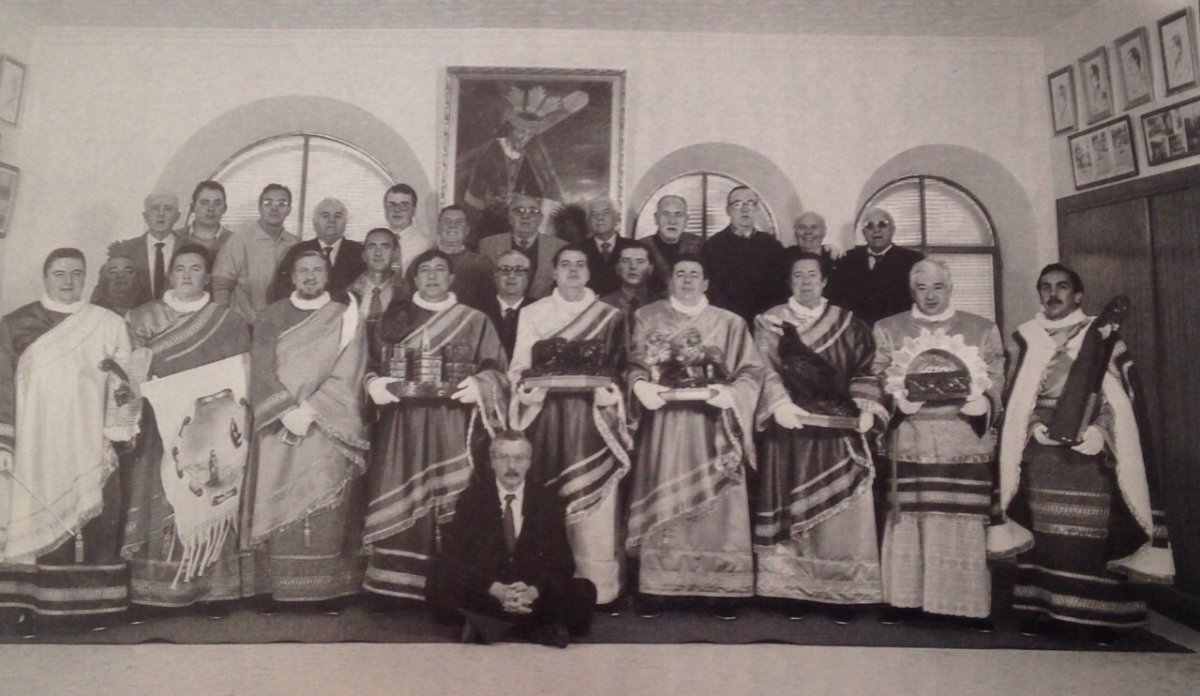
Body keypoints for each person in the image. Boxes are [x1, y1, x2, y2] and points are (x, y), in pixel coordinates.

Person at [989, 264, 1174, 644]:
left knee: (1090, 536)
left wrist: (1099, 432)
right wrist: (1032, 427)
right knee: (1045, 536)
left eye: (1062, 287)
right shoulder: (1023, 339)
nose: (1053, 294)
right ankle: (1048, 611)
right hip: (1041, 456)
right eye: (1045, 287)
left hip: (1090, 457)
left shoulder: (1104, 337)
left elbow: (1123, 401)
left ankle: (1100, 617)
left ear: (1078, 294)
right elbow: (1013, 399)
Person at [0, 248, 140, 635]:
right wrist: (4, 440)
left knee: (99, 516)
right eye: (59, 273)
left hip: (90, 439)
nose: (67, 281)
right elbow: (1, 385)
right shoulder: (15, 324)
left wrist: (118, 428)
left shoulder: (107, 323)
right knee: (38, 513)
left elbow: (125, 383)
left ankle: (97, 609)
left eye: (76, 274)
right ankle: (37, 606)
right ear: (45, 277)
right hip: (37, 443)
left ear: (86, 278)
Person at [361, 249, 508, 605]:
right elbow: (368, 364)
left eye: (440, 269)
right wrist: (374, 384)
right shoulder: (395, 318)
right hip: (402, 425)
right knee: (400, 488)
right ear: (413, 278)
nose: (432, 276)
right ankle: (394, 587)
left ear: (452, 278)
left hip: (453, 422)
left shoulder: (475, 320)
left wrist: (481, 385)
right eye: (424, 270)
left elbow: (499, 371)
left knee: (455, 497)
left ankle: (453, 584)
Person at [626, 255, 766, 620]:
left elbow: (752, 370)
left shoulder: (730, 323)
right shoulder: (647, 316)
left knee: (719, 503)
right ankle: (659, 586)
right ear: (670, 281)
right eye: (680, 274)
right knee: (664, 490)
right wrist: (640, 385)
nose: (687, 280)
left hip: (714, 425)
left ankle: (721, 586)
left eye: (694, 275)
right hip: (665, 425)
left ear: (706, 283)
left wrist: (730, 393)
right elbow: (634, 362)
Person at [870, 259, 1003, 629]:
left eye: (938, 287)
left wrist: (984, 402)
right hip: (910, 440)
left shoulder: (982, 329)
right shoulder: (888, 329)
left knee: (961, 521)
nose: (930, 295)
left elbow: (997, 377)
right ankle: (905, 601)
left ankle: (964, 606)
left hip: (963, 442)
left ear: (950, 288)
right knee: (908, 522)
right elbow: (875, 377)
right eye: (922, 288)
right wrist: (895, 401)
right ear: (912, 291)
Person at [752, 252, 884, 624]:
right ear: (789, 281)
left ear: (824, 281)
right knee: (792, 504)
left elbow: (867, 366)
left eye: (812, 274)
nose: (806, 281)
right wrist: (779, 404)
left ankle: (842, 589)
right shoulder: (769, 321)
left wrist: (867, 407)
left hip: (839, 430)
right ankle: (791, 590)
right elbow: (763, 368)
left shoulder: (850, 323)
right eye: (798, 275)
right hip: (791, 428)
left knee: (842, 507)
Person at [121, 244, 251, 616]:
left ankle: (213, 590)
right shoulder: (142, 317)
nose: (187, 275)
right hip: (159, 429)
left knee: (213, 490)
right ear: (170, 275)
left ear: (207, 277)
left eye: (196, 268)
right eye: (180, 268)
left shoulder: (227, 320)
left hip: (215, 431)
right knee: (163, 496)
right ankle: (160, 590)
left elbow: (242, 375)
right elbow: (130, 375)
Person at [242, 250, 369, 612]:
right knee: (275, 499)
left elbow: (353, 369)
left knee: (326, 497)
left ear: (327, 276)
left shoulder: (346, 316)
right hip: (278, 427)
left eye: (317, 270)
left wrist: (312, 409)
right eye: (303, 271)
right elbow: (260, 369)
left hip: (327, 425)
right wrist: (285, 411)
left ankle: (325, 591)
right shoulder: (270, 315)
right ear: (292, 276)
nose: (310, 276)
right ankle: (276, 589)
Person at [508, 246, 631, 608]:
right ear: (554, 272)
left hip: (594, 422)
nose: (573, 271)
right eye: (565, 265)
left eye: (580, 265)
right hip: (546, 420)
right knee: (547, 501)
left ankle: (598, 589)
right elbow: (518, 368)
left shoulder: (611, 316)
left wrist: (611, 394)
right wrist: (529, 391)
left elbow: (621, 369)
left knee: (596, 504)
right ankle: (544, 584)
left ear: (589, 273)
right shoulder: (533, 313)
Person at [427, 430, 597, 647]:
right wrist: (497, 590)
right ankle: (536, 627)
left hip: (530, 589)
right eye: (504, 458)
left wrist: (533, 592)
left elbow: (562, 561)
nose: (511, 466)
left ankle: (488, 624)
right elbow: (457, 556)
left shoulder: (548, 501)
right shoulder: (472, 499)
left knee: (583, 591)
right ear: (492, 462)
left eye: (519, 458)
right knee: (438, 580)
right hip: (490, 588)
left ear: (529, 462)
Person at [700, 186, 789, 326]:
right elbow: (710, 293)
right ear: (728, 210)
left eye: (750, 203)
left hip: (766, 324)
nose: (745, 209)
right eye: (738, 204)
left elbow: (782, 290)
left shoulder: (772, 246)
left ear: (757, 209)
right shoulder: (713, 246)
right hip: (727, 324)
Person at [211, 183, 300, 324]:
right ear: (259, 207)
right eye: (268, 203)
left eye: (282, 204)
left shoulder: (295, 244)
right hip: (242, 324)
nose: (274, 208)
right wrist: (224, 323)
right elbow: (221, 284)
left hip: (283, 324)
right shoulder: (240, 240)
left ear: (289, 210)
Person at [829, 208, 924, 325]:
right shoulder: (847, 260)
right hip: (856, 331)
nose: (876, 230)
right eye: (869, 226)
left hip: (896, 330)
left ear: (892, 229)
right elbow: (835, 301)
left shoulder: (912, 260)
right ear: (864, 232)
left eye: (882, 224)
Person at [479, 193, 567, 300]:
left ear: (540, 219)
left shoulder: (559, 247)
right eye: (519, 211)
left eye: (533, 211)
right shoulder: (487, 245)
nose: (525, 216)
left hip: (543, 308)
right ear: (509, 218)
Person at [102, 192, 184, 306]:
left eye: (168, 209)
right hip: (134, 314)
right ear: (145, 216)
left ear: (177, 217)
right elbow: (103, 290)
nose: (161, 214)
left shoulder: (191, 248)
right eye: (155, 208)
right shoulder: (124, 249)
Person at [278, 198, 365, 295]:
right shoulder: (298, 251)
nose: (331, 220)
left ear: (345, 223)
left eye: (337, 216)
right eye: (325, 216)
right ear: (314, 223)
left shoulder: (360, 252)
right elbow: (281, 289)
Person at [348, 228, 410, 338]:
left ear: (395, 254)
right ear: (364, 255)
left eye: (385, 247)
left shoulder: (408, 294)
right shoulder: (346, 294)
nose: (378, 253)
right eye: (372, 247)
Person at [435, 205, 495, 311]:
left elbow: (490, 306)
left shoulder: (483, 265)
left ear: (467, 230)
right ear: (438, 228)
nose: (452, 226)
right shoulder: (422, 263)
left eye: (459, 222)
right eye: (447, 221)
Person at [644, 195, 703, 295]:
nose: (672, 221)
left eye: (678, 214)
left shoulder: (701, 245)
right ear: (656, 218)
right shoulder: (641, 247)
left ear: (686, 220)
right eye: (666, 214)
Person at [579, 196, 637, 297]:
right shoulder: (577, 250)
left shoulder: (635, 248)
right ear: (588, 222)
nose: (600, 218)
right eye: (594, 214)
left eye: (605, 213)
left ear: (617, 218)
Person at [479, 249, 531, 357]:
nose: (511, 276)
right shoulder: (478, 311)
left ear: (528, 277)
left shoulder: (540, 310)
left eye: (519, 270)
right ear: (495, 276)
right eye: (505, 270)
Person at [600, 241, 662, 327]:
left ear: (650, 269)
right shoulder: (603, 305)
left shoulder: (661, 304)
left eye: (640, 261)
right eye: (626, 261)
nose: (633, 266)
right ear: (617, 268)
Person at [384, 183, 431, 276]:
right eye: (392, 205)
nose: (397, 210)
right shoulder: (375, 240)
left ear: (413, 210)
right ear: (385, 208)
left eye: (404, 205)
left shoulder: (427, 245)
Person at [177, 180, 235, 255]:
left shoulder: (234, 241)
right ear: (193, 207)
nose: (211, 208)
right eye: (204, 203)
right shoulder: (175, 238)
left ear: (224, 208)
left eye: (217, 204)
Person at [783, 212, 840, 276]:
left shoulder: (835, 260)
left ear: (824, 231)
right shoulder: (784, 258)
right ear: (795, 231)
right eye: (802, 227)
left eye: (814, 227)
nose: (808, 232)